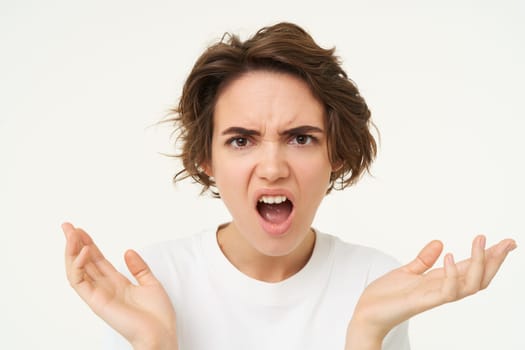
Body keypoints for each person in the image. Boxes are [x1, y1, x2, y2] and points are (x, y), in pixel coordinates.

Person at [61, 22, 517, 350]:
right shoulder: (156, 282)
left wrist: (365, 333)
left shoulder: (375, 283)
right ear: (207, 160)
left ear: (335, 154)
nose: (273, 167)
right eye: (241, 140)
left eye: (301, 138)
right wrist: (155, 345)